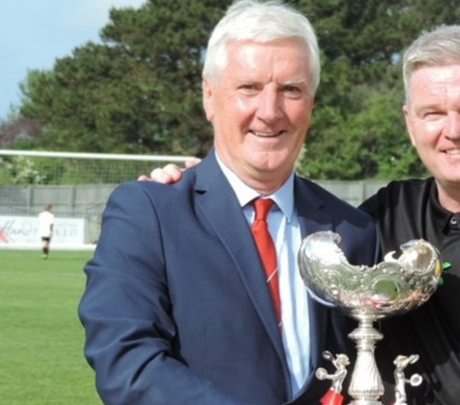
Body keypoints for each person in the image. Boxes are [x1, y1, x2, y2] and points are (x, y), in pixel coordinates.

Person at [147, 24, 460, 405]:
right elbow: (270, 216)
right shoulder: (381, 216)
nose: (454, 131)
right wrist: (199, 183)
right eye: (433, 113)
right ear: (411, 124)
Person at [78, 1, 378, 405]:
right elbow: (127, 363)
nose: (269, 112)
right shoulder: (149, 212)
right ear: (209, 96)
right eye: (249, 87)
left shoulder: (353, 230)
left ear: (312, 105)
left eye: (291, 89)